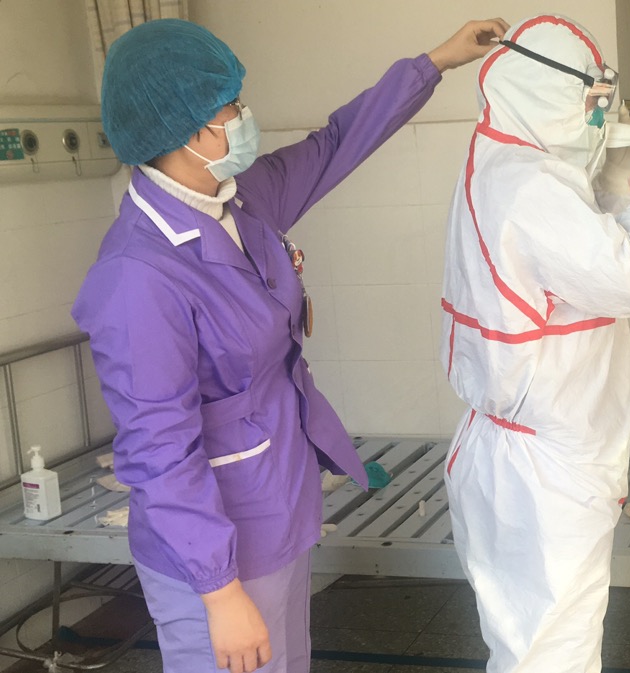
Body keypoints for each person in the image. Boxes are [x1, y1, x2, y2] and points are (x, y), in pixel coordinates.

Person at [71, 16, 508, 673]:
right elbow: (158, 452)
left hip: (278, 505)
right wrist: (220, 592)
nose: (245, 116)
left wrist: (438, 60)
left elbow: (335, 144)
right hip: (214, 549)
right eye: (230, 107)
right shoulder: (138, 275)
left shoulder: (240, 200)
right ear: (186, 131)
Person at [438, 14, 630, 673]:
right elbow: (629, 277)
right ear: (545, 92)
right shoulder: (530, 186)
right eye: (590, 101)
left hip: (516, 448)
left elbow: (572, 251)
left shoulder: (504, 161)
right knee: (553, 656)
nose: (597, 115)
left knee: (531, 648)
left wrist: (614, 170)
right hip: (542, 471)